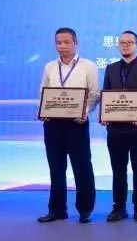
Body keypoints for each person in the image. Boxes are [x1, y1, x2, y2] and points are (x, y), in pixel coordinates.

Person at [37, 27, 100, 224]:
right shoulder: (49, 67)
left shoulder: (88, 66)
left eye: (66, 42)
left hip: (77, 124)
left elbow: (94, 94)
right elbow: (43, 92)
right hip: (53, 124)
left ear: (76, 43)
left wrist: (85, 111)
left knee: (82, 167)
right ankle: (57, 210)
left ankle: (85, 209)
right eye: (58, 42)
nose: (62, 46)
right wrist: (44, 111)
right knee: (56, 168)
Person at [101, 31, 137, 223]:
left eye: (129, 42)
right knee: (118, 169)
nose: (125, 45)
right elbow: (106, 95)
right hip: (115, 129)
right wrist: (104, 114)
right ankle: (119, 207)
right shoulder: (111, 68)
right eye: (122, 42)